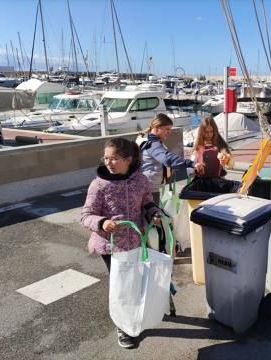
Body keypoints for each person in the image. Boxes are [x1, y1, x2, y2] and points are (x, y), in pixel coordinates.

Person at [81, 137, 161, 349]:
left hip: (136, 241)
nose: (108, 162)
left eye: (114, 158)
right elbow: (86, 215)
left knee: (133, 283)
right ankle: (123, 328)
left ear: (128, 159)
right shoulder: (99, 184)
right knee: (121, 286)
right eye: (106, 158)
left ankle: (134, 316)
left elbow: (148, 203)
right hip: (110, 246)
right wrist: (102, 222)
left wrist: (154, 213)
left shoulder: (141, 180)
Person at [137, 113, 204, 251]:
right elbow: (167, 158)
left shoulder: (146, 139)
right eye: (167, 129)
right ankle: (152, 252)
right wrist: (190, 163)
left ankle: (150, 249)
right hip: (149, 189)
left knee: (148, 221)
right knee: (151, 223)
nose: (168, 133)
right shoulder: (153, 144)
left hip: (146, 186)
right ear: (157, 127)